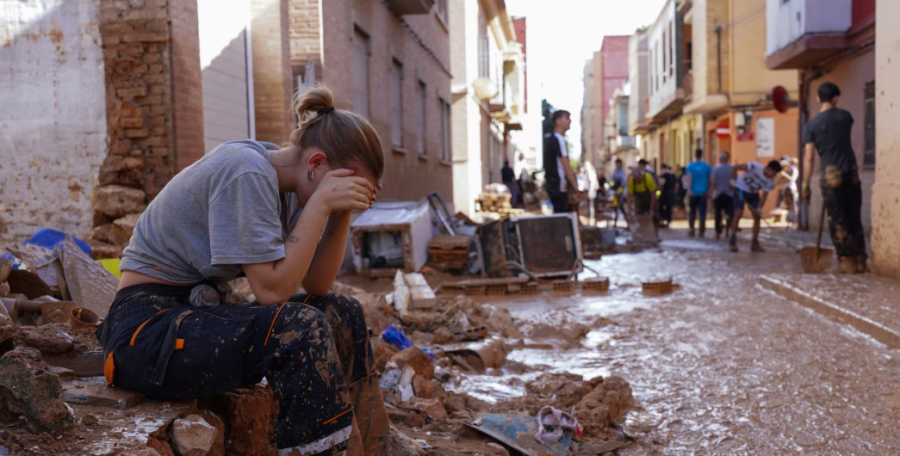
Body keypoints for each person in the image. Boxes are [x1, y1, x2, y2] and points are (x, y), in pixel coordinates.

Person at [96, 85, 391, 455]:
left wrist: (340, 212)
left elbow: (317, 284)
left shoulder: (295, 184)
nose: (346, 192)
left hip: (194, 314)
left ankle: (378, 449)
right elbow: (270, 291)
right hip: (144, 333)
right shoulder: (246, 171)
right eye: (347, 184)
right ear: (315, 164)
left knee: (340, 311)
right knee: (300, 327)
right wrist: (319, 208)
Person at [802, 82, 867, 273]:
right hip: (852, 173)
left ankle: (846, 262)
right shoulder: (846, 117)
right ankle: (861, 260)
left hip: (830, 176)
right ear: (835, 98)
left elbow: (809, 157)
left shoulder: (811, 125)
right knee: (854, 216)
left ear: (817, 99)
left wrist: (805, 184)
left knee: (837, 219)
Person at [729, 160, 784, 253]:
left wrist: (759, 208)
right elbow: (735, 167)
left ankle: (754, 242)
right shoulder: (754, 166)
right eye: (772, 172)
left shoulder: (769, 181)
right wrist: (733, 180)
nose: (772, 175)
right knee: (738, 213)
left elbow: (764, 196)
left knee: (757, 217)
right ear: (768, 168)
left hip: (753, 194)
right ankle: (733, 240)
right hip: (740, 190)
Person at [543, 110, 580, 213]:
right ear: (558, 121)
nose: (570, 121)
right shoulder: (559, 139)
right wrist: (575, 188)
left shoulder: (550, 139)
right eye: (567, 118)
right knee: (564, 219)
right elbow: (566, 166)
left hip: (552, 185)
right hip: (559, 186)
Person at [685, 149, 713, 237]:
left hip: (693, 192)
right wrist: (709, 191)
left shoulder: (691, 166)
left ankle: (691, 229)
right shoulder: (706, 166)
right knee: (702, 212)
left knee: (692, 211)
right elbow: (710, 180)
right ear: (702, 155)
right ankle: (701, 231)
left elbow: (689, 178)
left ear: (695, 155)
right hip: (703, 192)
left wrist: (689, 190)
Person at [709, 152, 735, 240]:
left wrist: (710, 195)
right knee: (729, 213)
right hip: (729, 195)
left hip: (718, 194)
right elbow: (735, 181)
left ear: (720, 159)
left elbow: (713, 183)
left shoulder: (716, 169)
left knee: (717, 214)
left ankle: (717, 233)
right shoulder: (732, 168)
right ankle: (728, 231)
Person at [777, 156, 799, 227]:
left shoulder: (794, 170)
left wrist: (785, 175)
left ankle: (795, 221)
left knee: (793, 206)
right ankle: (789, 221)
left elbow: (792, 179)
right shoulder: (788, 170)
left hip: (792, 189)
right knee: (788, 206)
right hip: (786, 189)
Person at [610, 158, 629, 227]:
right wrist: (613, 191)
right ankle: (617, 222)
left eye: (618, 163)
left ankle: (625, 222)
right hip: (615, 193)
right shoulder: (614, 172)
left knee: (620, 207)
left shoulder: (622, 172)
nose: (617, 165)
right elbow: (611, 182)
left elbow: (623, 184)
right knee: (617, 208)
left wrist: (619, 192)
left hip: (620, 193)